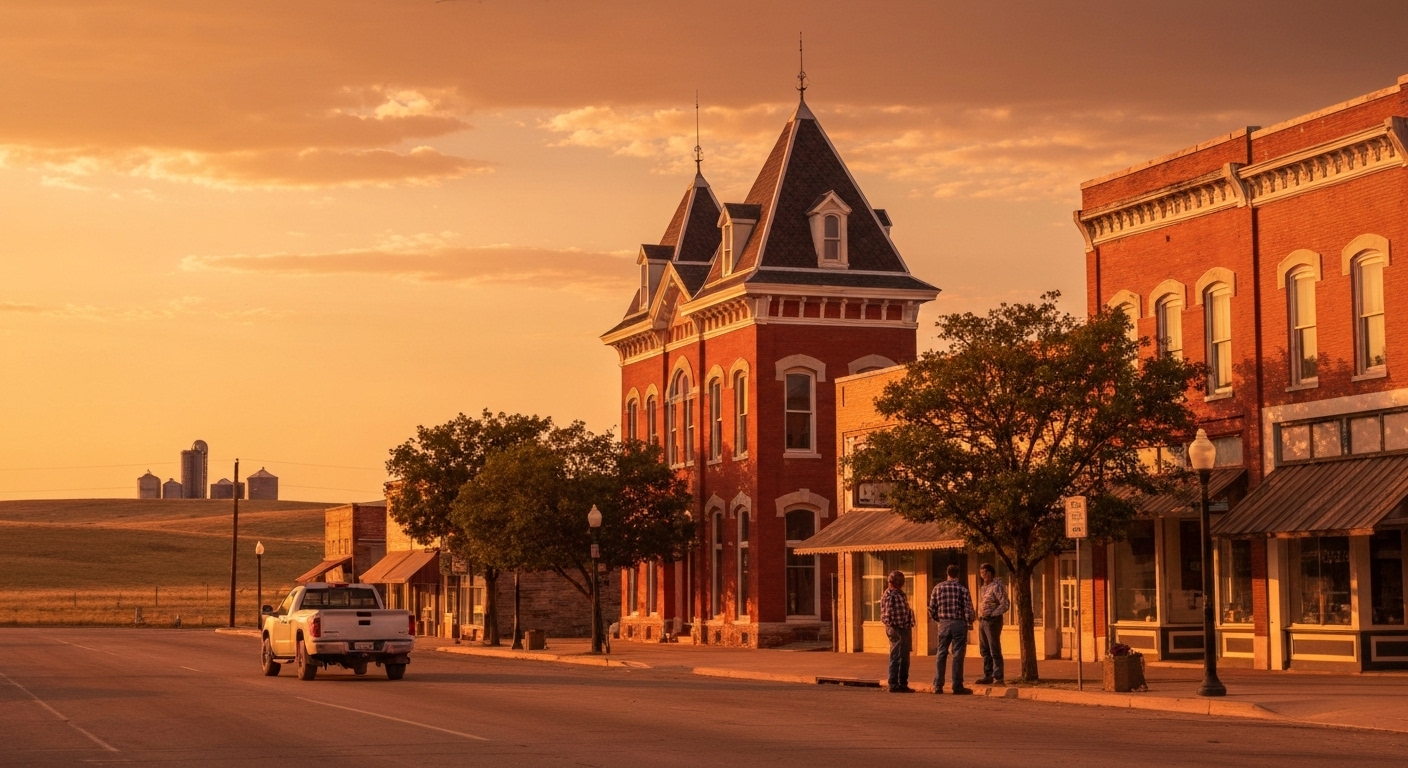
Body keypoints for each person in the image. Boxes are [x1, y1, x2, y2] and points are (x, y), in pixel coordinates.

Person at [928, 563, 975, 694]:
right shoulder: (962, 589)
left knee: (941, 653)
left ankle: (938, 685)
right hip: (959, 623)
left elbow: (931, 608)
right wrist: (969, 621)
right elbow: (968, 609)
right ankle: (957, 685)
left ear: (947, 573)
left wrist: (939, 619)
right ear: (957, 574)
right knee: (958, 654)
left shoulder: (938, 588)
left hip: (943, 623)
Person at [879, 570, 916, 693]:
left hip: (903, 627)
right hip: (897, 628)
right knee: (896, 656)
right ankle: (894, 683)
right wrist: (893, 628)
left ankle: (902, 683)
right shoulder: (890, 595)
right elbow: (887, 615)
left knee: (904, 657)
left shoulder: (899, 594)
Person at [975, 563, 1010, 685]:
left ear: (991, 574)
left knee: (994, 648)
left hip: (992, 621)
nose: (983, 576)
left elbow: (1005, 604)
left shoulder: (996, 586)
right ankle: (988, 674)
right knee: (984, 649)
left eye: (985, 573)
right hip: (983, 620)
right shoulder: (983, 587)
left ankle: (998, 676)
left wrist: (993, 614)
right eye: (982, 573)